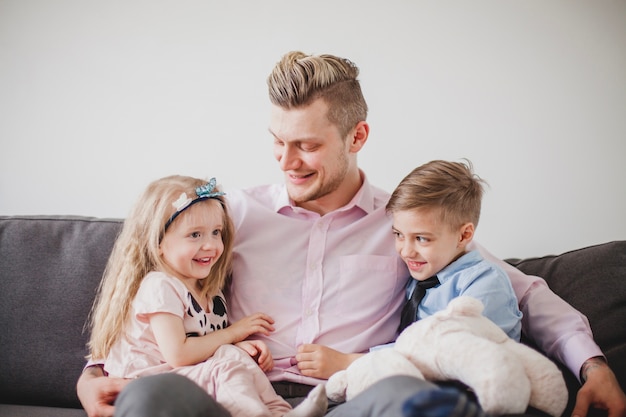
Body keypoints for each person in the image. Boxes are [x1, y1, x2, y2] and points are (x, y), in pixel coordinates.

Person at [77, 51, 626, 417]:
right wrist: (94, 371)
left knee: (405, 395)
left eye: (307, 146)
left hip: (348, 396)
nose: (287, 162)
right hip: (232, 393)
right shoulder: (229, 217)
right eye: (277, 141)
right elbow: (151, 287)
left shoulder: (404, 224)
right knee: (151, 396)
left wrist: (592, 365)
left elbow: (521, 289)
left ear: (356, 135)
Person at [85, 175, 327, 417]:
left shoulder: (208, 292)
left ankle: (281, 413)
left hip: (180, 377)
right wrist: (233, 333)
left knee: (231, 355)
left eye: (215, 232)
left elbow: (204, 344)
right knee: (225, 365)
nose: (211, 245)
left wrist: (238, 347)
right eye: (195, 235)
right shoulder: (160, 286)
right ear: (157, 242)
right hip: (147, 383)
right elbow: (179, 354)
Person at [388, 159, 522, 341]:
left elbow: (453, 348)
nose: (406, 251)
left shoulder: (485, 283)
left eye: (421, 238)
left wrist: (360, 359)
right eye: (399, 235)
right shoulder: (419, 278)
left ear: (464, 236)